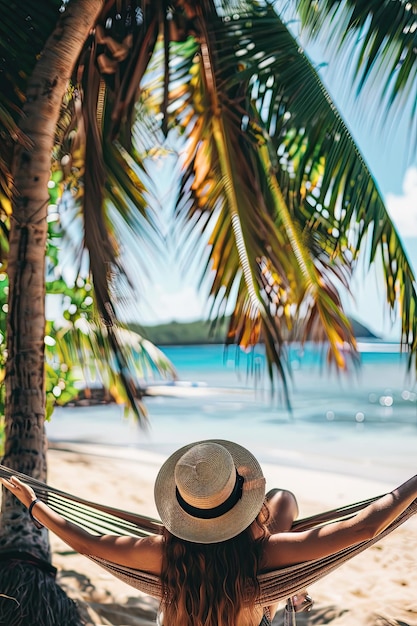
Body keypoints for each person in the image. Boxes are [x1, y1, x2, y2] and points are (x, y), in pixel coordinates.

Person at [1, 439, 417, 626]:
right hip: (253, 597)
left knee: (284, 500)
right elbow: (365, 525)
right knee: (285, 501)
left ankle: (290, 590)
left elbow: (89, 543)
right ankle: (292, 591)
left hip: (190, 597)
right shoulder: (264, 555)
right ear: (242, 503)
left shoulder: (161, 553)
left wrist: (35, 505)